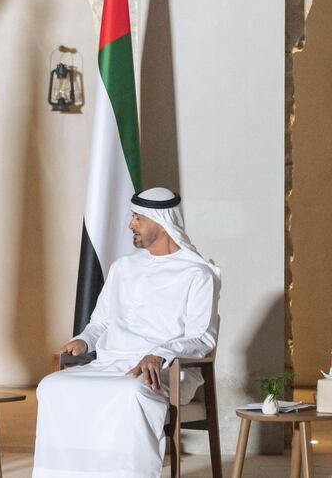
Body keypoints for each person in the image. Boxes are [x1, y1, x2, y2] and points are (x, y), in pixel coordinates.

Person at [33, 187, 220, 478]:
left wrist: (160, 353)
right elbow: (101, 322)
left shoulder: (197, 274)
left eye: (137, 218)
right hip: (109, 364)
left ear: (161, 221)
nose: (130, 225)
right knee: (51, 386)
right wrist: (84, 339)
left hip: (164, 371)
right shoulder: (123, 267)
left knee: (130, 392)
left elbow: (202, 337)